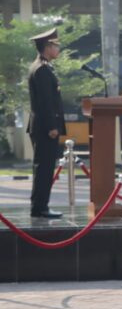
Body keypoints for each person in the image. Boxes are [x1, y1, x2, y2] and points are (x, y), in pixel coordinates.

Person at [27, 29, 66, 219]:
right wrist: (52, 126)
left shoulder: (43, 67)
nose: (58, 49)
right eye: (55, 45)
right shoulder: (41, 70)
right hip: (45, 127)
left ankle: (40, 206)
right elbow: (45, 102)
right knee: (44, 168)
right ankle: (40, 208)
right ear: (48, 47)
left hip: (42, 126)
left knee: (44, 167)